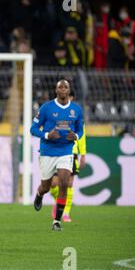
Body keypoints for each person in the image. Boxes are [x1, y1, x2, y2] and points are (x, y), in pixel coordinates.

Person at [30, 79, 84, 231]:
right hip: (48, 151)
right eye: (60, 87)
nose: (62, 89)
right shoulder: (46, 108)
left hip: (66, 151)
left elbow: (80, 129)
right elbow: (33, 129)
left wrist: (76, 136)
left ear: (69, 90)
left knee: (64, 183)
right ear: (56, 90)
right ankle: (39, 194)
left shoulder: (76, 109)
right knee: (46, 186)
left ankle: (56, 221)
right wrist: (47, 135)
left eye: (65, 87)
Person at [49, 90, 86, 222]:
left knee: (69, 183)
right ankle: (59, 202)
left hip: (72, 152)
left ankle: (65, 212)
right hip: (55, 151)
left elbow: (82, 136)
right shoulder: (52, 112)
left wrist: (83, 155)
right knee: (53, 184)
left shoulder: (77, 115)